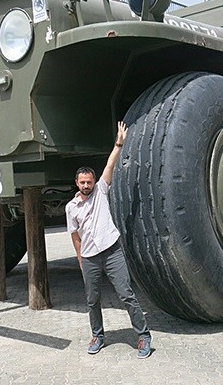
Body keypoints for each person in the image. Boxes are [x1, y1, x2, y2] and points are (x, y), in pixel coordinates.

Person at [65, 121, 152, 358]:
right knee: (92, 300)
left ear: (94, 182)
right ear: (77, 183)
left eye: (89, 182)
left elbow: (110, 164)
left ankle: (143, 336)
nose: (86, 185)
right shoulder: (71, 207)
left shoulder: (102, 190)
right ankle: (98, 335)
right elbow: (74, 234)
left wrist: (119, 143)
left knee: (126, 294)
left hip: (112, 252)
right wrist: (81, 259)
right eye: (82, 182)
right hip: (90, 257)